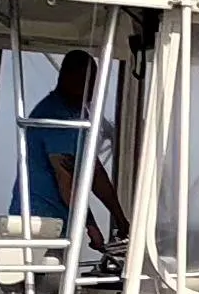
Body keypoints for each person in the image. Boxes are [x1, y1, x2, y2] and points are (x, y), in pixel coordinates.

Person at [17, 49, 125, 246]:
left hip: (57, 224)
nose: (91, 90)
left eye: (93, 83)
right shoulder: (56, 116)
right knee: (48, 274)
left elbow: (94, 171)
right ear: (66, 77)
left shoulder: (77, 112)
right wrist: (90, 226)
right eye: (85, 82)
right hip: (39, 226)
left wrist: (121, 219)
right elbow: (66, 180)